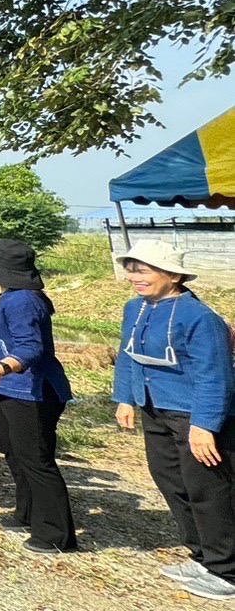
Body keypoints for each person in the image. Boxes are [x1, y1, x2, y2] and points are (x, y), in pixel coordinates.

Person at [113, 239, 235, 599]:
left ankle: (226, 570)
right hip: (155, 407)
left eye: (144, 269)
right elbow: (128, 355)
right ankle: (201, 555)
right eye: (132, 269)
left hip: (192, 414)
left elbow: (215, 374)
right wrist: (125, 398)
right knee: (171, 481)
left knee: (208, 490)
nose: (135, 276)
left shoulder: (200, 317)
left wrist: (205, 425)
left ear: (172, 274)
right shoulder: (135, 308)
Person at [0, 239, 77, 553]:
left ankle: (56, 535)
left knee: (36, 460)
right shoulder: (13, 295)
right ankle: (28, 513)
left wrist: (2, 367)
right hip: (8, 388)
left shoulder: (23, 301)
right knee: (15, 453)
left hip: (31, 391)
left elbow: (31, 347)